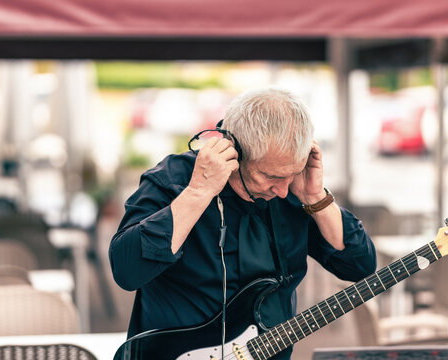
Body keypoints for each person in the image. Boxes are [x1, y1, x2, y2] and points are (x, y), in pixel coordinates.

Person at [109, 88, 376, 359]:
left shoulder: (294, 187)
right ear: (234, 150)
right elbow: (127, 271)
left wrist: (316, 198)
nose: (282, 190)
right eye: (271, 175)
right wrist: (198, 193)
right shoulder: (174, 180)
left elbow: (359, 265)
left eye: (291, 173)